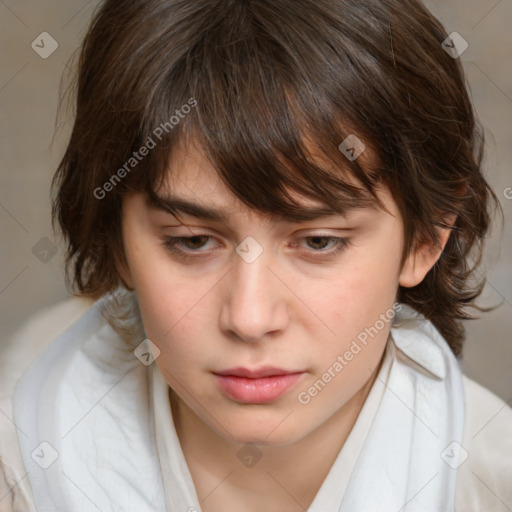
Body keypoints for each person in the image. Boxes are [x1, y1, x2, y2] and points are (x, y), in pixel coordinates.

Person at [1, 0, 511, 510]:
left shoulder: (490, 484)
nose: (249, 318)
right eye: (193, 241)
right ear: (117, 240)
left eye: (318, 242)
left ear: (427, 236)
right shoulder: (21, 458)